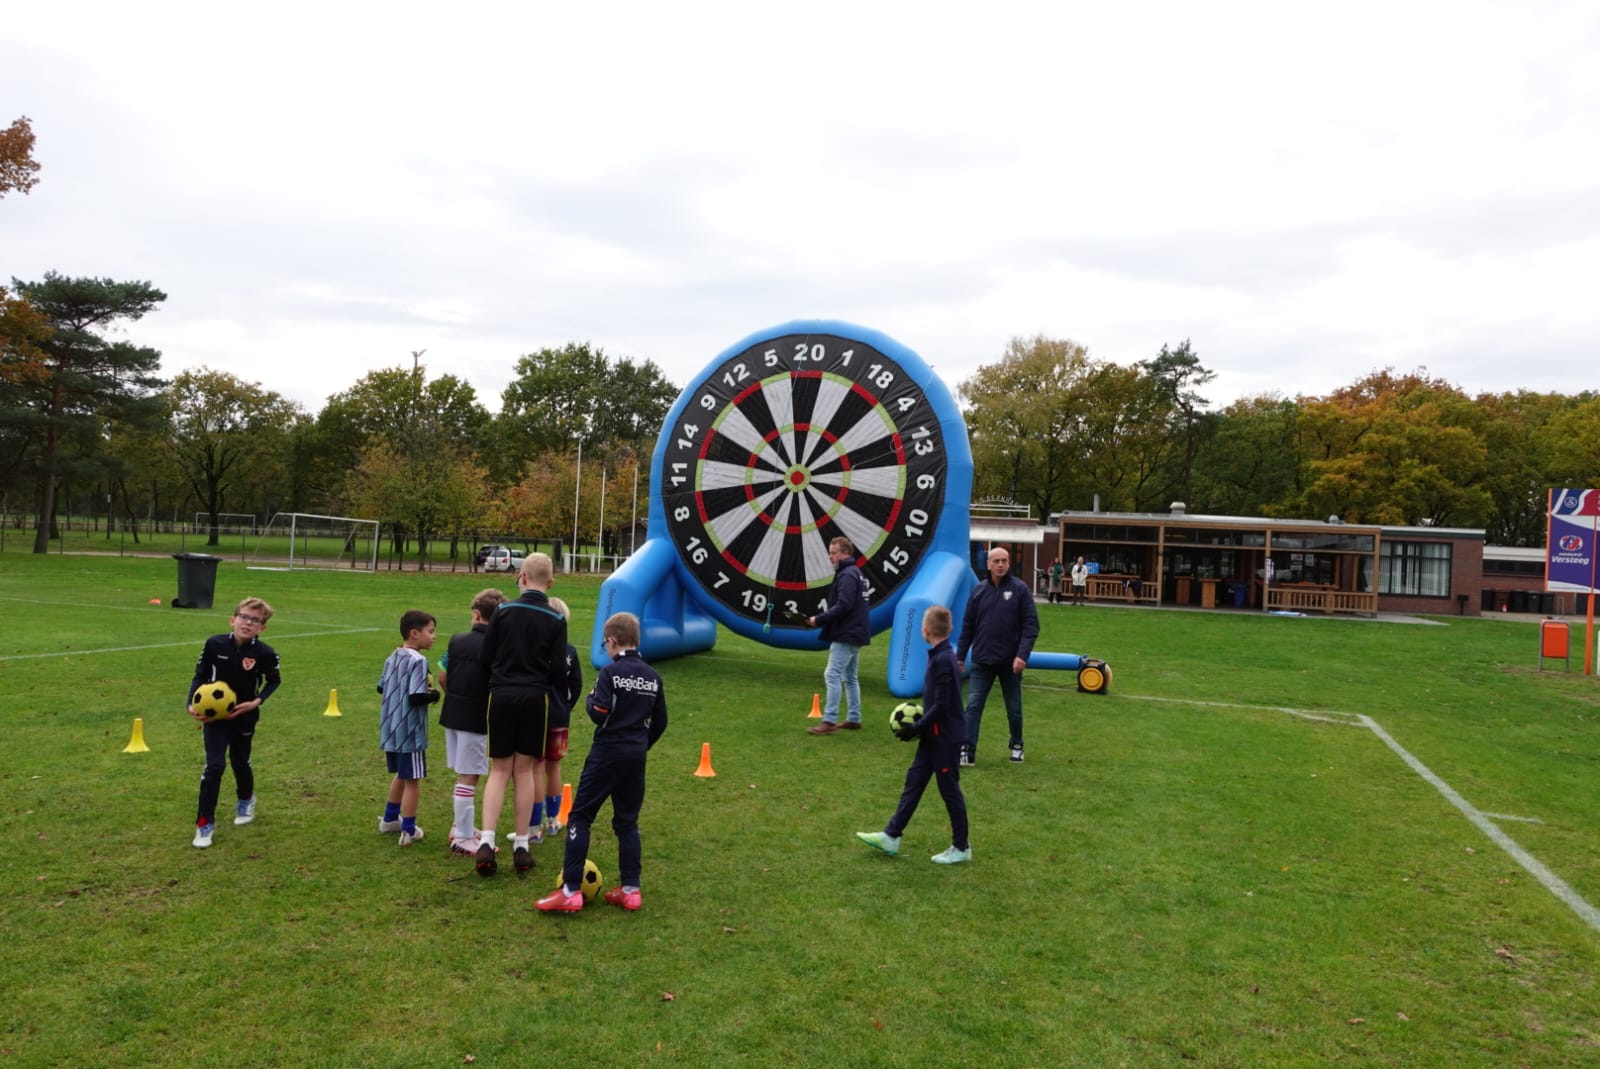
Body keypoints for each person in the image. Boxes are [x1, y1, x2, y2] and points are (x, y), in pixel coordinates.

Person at [537, 611, 668, 913]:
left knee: (581, 816)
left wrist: (587, 701)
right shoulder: (653, 676)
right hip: (636, 755)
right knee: (627, 821)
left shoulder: (610, 673)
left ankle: (570, 890)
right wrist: (641, 744)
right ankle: (631, 889)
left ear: (611, 641)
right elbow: (661, 720)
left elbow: (598, 711)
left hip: (608, 752)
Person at [855, 605, 970, 864]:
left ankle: (961, 847)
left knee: (949, 790)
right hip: (934, 736)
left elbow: (941, 706)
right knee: (914, 781)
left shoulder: (943, 659)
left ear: (925, 630)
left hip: (945, 737)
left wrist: (915, 728)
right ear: (949, 629)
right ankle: (891, 836)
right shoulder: (941, 654)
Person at [476, 552, 567, 877]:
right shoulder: (556, 620)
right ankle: (522, 846)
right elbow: (558, 670)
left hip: (501, 693)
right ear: (551, 583)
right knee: (526, 770)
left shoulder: (502, 611)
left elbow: (486, 656)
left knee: (499, 770)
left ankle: (486, 840)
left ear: (522, 578)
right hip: (534, 697)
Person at [187, 597, 282, 849]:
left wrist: (256, 701)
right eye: (244, 617)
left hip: (244, 716)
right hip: (215, 717)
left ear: (262, 628)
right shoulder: (213, 644)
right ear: (233, 619)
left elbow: (274, 681)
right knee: (214, 766)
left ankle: (246, 798)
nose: (248, 623)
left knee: (240, 761)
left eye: (255, 620)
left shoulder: (265, 653)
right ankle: (204, 824)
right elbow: (200, 675)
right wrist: (191, 703)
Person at [436, 588, 507, 855]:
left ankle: (461, 825)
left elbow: (443, 674)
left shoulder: (456, 640)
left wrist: (455, 696)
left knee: (466, 772)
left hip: (452, 713)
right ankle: (463, 837)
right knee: (469, 775)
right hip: (477, 718)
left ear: (476, 614)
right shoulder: (499, 646)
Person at [957, 546, 1039, 766]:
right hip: (982, 661)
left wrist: (1022, 656)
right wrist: (960, 656)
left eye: (1004, 560)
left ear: (1009, 563)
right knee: (973, 705)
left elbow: (1031, 626)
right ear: (988, 564)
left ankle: (1017, 744)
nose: (1000, 564)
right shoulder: (978, 591)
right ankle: (967, 749)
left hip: (1010, 662)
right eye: (996, 561)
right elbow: (967, 627)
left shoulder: (1020, 590)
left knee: (1013, 708)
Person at [378, 610, 440, 847]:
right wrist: (433, 695)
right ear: (415, 633)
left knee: (402, 775)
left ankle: (390, 819)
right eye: (430, 631)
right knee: (413, 779)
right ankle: (409, 830)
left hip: (390, 728)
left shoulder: (393, 655)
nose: (434, 637)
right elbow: (416, 697)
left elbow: (381, 687)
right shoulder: (418, 661)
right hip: (410, 730)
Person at [528, 595, 582, 839]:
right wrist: (565, 706)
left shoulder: (534, 649)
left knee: (535, 768)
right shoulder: (569, 651)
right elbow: (576, 684)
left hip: (537, 712)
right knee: (554, 767)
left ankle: (533, 827)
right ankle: (552, 821)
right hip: (559, 714)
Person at [805, 535, 870, 735]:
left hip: (847, 633)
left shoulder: (847, 575)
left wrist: (820, 619)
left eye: (833, 553)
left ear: (845, 554)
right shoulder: (854, 572)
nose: (830, 557)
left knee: (832, 674)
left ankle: (829, 720)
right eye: (830, 552)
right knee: (849, 677)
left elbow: (844, 605)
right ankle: (854, 718)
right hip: (856, 631)